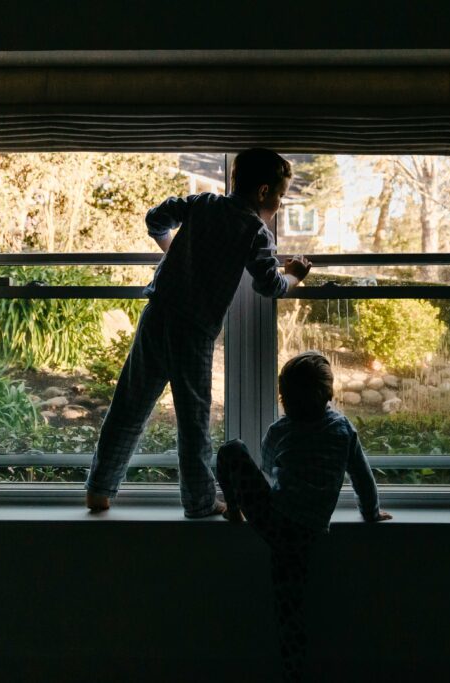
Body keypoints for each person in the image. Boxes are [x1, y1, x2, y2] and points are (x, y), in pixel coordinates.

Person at [85, 148, 312, 517]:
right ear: (263, 191)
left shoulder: (203, 203)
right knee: (193, 421)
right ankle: (200, 501)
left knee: (129, 405)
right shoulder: (255, 230)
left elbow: (155, 218)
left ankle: (99, 489)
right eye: (280, 195)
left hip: (157, 315)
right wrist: (296, 275)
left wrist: (173, 249)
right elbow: (270, 286)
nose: (280, 204)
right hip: (193, 331)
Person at [216, 350, 392, 682]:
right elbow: (363, 478)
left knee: (231, 450)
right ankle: (294, 672)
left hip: (275, 519)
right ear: (328, 391)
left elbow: (266, 467)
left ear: (285, 397)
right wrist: (371, 514)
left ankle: (232, 508)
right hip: (308, 530)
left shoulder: (281, 430)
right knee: (290, 610)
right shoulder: (343, 429)